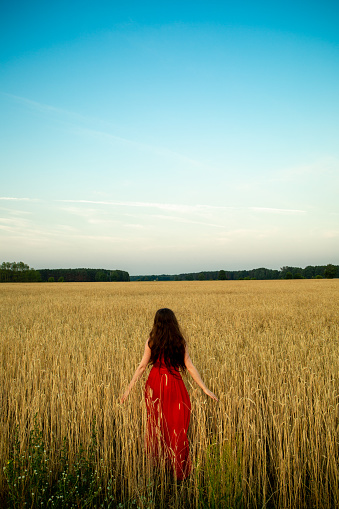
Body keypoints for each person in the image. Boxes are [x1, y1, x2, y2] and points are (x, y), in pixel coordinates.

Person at [121, 308, 218, 480]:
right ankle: (177, 469)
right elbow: (189, 366)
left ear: (156, 323)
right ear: (174, 323)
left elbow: (142, 367)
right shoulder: (180, 341)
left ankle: (158, 467)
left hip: (155, 385)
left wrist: (128, 389)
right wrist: (204, 388)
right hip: (175, 385)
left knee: (156, 425)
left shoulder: (151, 341)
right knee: (177, 427)